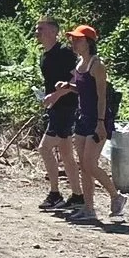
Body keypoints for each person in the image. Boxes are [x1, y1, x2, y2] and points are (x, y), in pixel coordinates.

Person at [68, 24, 124, 223]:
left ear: (89, 42)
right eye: (73, 39)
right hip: (82, 118)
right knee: (83, 165)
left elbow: (102, 97)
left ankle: (116, 197)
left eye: (78, 39)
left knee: (90, 164)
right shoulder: (79, 63)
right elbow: (83, 90)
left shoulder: (97, 64)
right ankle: (89, 209)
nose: (74, 42)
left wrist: (101, 123)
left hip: (98, 119)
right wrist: (68, 87)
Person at [34, 17, 81, 210]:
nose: (37, 32)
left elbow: (76, 77)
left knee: (44, 148)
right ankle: (78, 196)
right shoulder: (44, 56)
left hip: (66, 108)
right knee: (66, 153)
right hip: (56, 109)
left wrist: (55, 96)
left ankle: (55, 194)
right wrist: (47, 97)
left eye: (41, 29)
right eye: (36, 29)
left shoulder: (64, 52)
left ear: (54, 32)